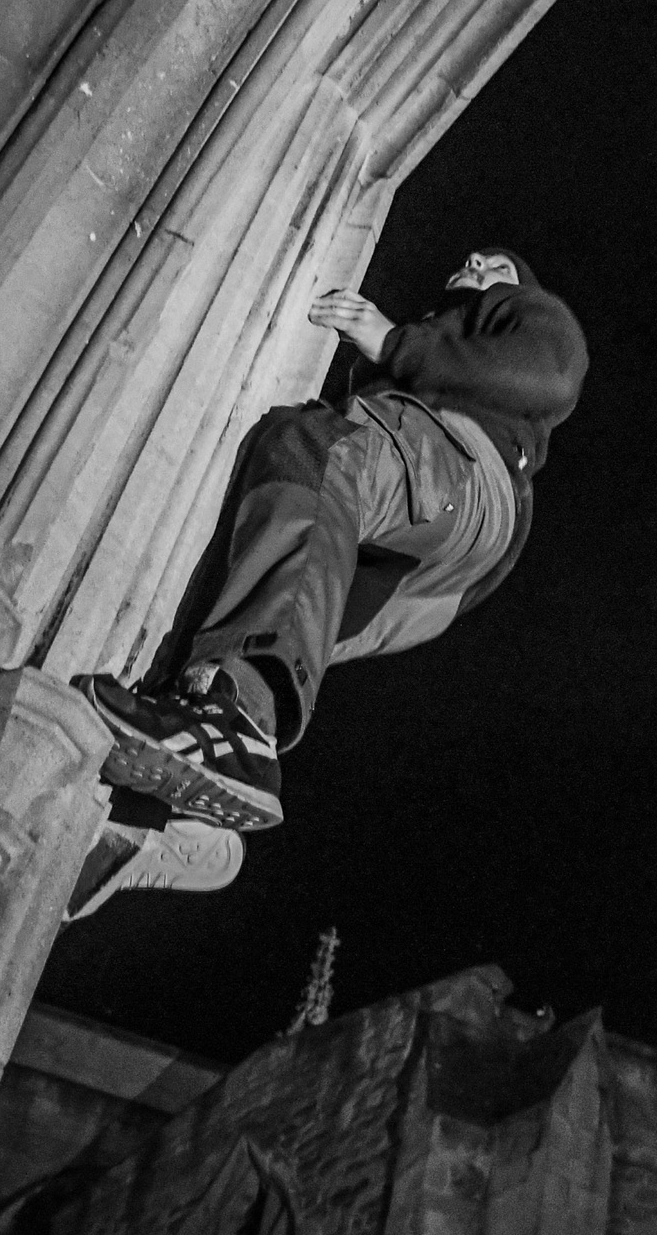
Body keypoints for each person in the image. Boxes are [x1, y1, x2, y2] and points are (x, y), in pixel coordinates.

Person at [66, 249, 586, 917]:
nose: (476, 261)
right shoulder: (432, 357)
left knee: (316, 442)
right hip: (413, 576)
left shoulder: (526, 315)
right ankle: (156, 826)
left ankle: (239, 734)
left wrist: (392, 341)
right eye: (473, 259)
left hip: (468, 479)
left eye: (496, 264)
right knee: (237, 597)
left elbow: (551, 375)